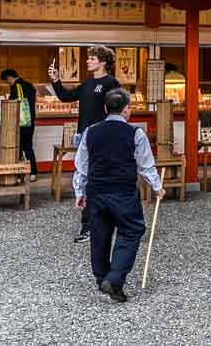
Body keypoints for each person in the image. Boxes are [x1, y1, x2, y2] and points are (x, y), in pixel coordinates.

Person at [73, 88, 163, 303]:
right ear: (127, 110)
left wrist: (79, 191)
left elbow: (81, 166)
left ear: (105, 108)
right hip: (122, 190)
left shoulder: (91, 132)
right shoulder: (135, 133)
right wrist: (157, 187)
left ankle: (102, 277)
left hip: (96, 190)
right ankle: (114, 278)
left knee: (100, 233)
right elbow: (146, 165)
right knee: (132, 230)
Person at [49, 45, 121, 242]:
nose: (88, 61)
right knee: (84, 179)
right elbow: (66, 97)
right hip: (83, 136)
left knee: (100, 180)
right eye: (88, 58)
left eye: (92, 58)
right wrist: (56, 80)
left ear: (103, 62)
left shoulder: (111, 82)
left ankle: (105, 223)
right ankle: (88, 226)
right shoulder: (87, 84)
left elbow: (118, 108)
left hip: (103, 137)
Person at [2, 69, 39, 181]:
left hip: (20, 123)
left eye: (7, 81)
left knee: (18, 148)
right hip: (29, 121)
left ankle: (19, 174)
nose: (8, 83)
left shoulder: (16, 87)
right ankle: (32, 173)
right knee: (28, 147)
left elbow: (12, 103)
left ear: (10, 78)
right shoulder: (29, 85)